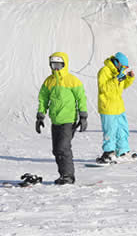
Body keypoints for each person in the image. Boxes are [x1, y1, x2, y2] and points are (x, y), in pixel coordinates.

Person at [36, 52, 88, 184]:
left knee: (63, 148)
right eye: (54, 65)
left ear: (64, 64)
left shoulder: (72, 80)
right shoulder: (49, 81)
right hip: (55, 120)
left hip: (68, 120)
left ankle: (68, 176)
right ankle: (63, 175)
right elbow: (43, 98)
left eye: (59, 65)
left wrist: (83, 116)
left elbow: (81, 98)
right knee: (56, 150)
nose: (56, 68)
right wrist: (40, 116)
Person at [96, 52, 135, 163]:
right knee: (110, 131)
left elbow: (122, 87)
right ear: (117, 62)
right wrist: (116, 79)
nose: (124, 68)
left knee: (122, 129)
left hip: (118, 106)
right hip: (108, 107)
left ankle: (123, 151)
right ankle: (108, 152)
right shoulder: (104, 71)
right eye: (123, 66)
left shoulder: (118, 71)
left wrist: (129, 78)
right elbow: (104, 89)